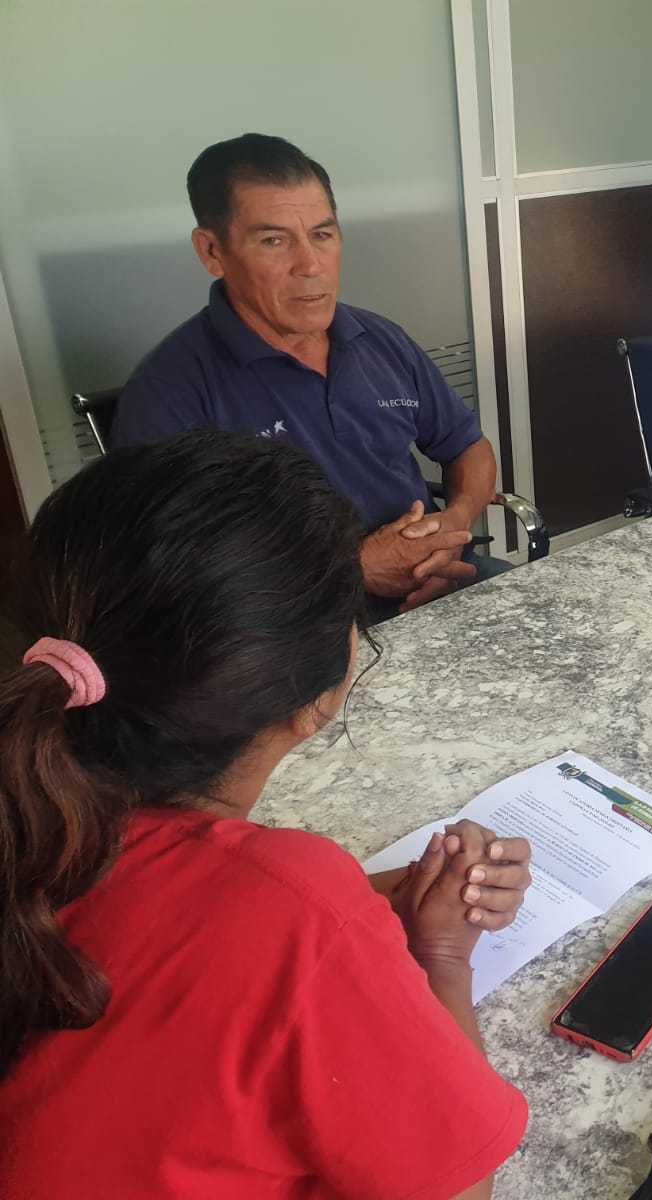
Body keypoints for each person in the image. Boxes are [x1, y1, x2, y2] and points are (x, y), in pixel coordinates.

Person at [0, 433, 531, 1197]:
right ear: (321, 691)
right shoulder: (294, 914)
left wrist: (369, 905)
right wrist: (441, 955)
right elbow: (459, 1188)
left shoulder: (33, 810)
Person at [114, 133, 506, 616]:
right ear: (212, 251)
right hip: (293, 628)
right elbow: (165, 568)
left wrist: (454, 525)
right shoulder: (169, 391)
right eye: (274, 240)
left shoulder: (379, 340)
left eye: (322, 234)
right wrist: (351, 568)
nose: (311, 265)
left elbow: (468, 447)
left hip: (438, 583)